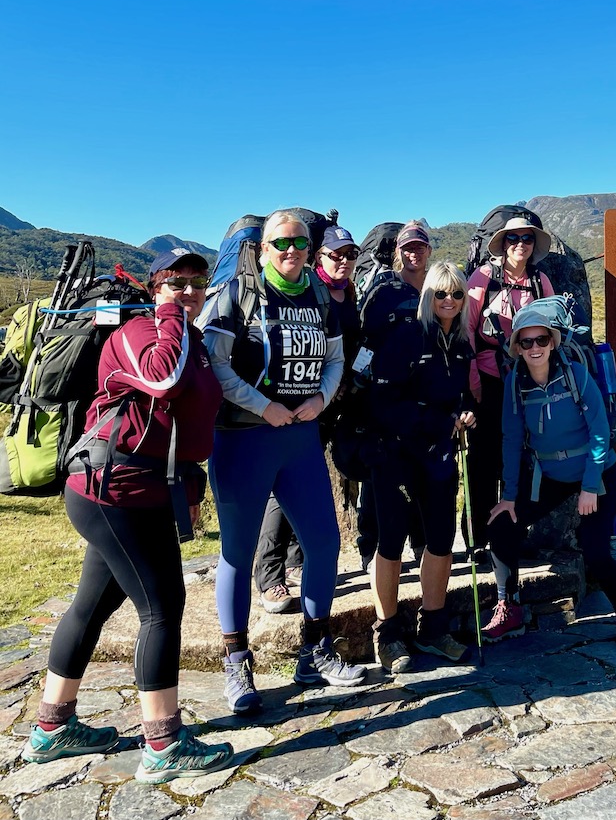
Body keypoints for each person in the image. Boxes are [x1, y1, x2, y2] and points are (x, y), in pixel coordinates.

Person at [22, 249, 234, 782]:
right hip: (115, 490)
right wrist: (169, 316)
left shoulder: (189, 339)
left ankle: (51, 729)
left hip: (137, 488)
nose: (189, 290)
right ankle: (163, 745)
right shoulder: (138, 332)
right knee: (162, 607)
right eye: (175, 282)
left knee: (91, 606)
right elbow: (161, 381)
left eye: (197, 281)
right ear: (153, 287)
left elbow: (188, 415)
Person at [200, 210, 366, 714]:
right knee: (236, 553)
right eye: (280, 243)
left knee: (324, 544)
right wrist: (261, 406)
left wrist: (321, 398)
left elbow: (335, 357)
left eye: (299, 242)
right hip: (244, 439)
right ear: (262, 248)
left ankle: (314, 650)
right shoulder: (237, 295)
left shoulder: (318, 295)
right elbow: (215, 363)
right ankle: (237, 662)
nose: (290, 250)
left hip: (300, 437)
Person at [485, 307, 616, 649]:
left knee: (595, 550)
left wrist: (589, 486)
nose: (535, 348)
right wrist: (509, 496)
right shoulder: (515, 383)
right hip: (550, 475)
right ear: (517, 348)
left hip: (596, 471)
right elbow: (511, 439)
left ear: (553, 343)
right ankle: (509, 606)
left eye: (542, 340)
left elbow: (600, 432)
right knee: (501, 526)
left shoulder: (576, 375)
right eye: (527, 342)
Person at [366, 262, 476, 672]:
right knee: (391, 540)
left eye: (457, 294)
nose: (449, 300)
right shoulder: (407, 336)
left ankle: (433, 628)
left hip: (438, 454)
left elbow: (459, 395)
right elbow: (383, 402)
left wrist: (466, 412)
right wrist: (438, 421)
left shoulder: (461, 343)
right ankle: (387, 634)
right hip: (395, 453)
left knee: (442, 539)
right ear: (427, 296)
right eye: (440, 293)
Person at [253, 225, 363, 614]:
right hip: (295, 406)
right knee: (281, 490)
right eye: (336, 254)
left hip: (330, 403)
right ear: (319, 257)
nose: (344, 261)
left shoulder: (347, 293)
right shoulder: (311, 292)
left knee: (307, 485)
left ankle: (297, 561)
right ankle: (269, 575)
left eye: (350, 254)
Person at [466, 217, 555, 553]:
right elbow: (467, 329)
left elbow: (553, 328)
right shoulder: (483, 277)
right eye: (514, 238)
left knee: (520, 458)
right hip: (488, 382)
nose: (521, 244)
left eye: (527, 239)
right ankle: (479, 537)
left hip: (527, 383)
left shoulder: (540, 281)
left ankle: (510, 534)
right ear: (503, 243)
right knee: (484, 460)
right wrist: (473, 381)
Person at [354, 221, 431, 573]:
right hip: (384, 397)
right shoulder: (384, 289)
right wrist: (359, 385)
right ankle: (371, 547)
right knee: (379, 475)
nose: (414, 252)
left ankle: (421, 543)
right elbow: (365, 340)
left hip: (425, 397)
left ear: (429, 250)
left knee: (420, 472)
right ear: (398, 251)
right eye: (407, 247)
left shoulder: (438, 289)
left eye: (420, 246)